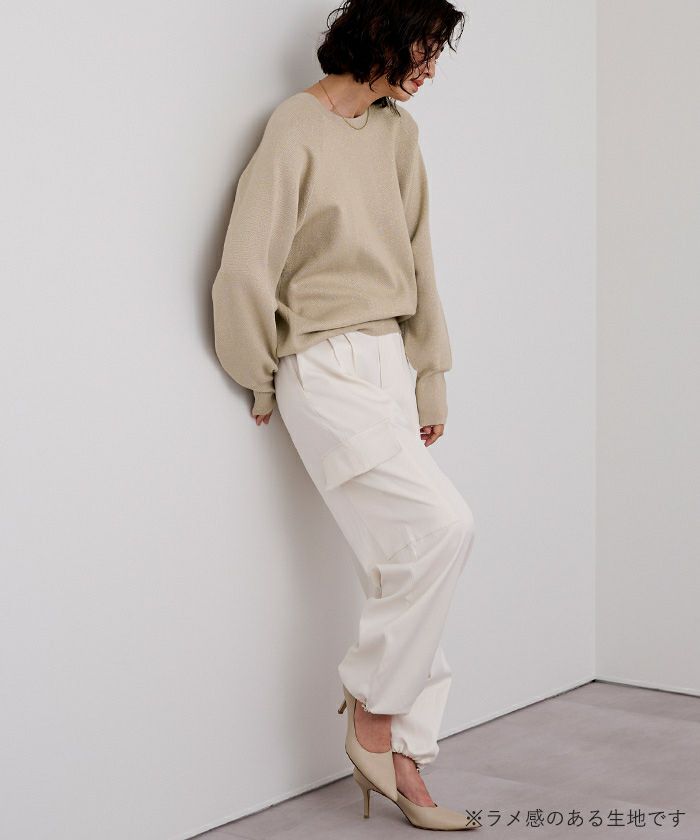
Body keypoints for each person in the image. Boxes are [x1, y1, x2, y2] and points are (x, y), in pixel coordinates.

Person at [211, 0, 478, 830]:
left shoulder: (398, 134)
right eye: (423, 49)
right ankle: (372, 712)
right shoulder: (295, 128)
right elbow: (246, 267)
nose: (430, 69)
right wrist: (259, 377)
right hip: (323, 366)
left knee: (404, 561)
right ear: (381, 38)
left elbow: (419, 259)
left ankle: (407, 755)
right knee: (443, 529)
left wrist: (429, 377)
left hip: (389, 361)